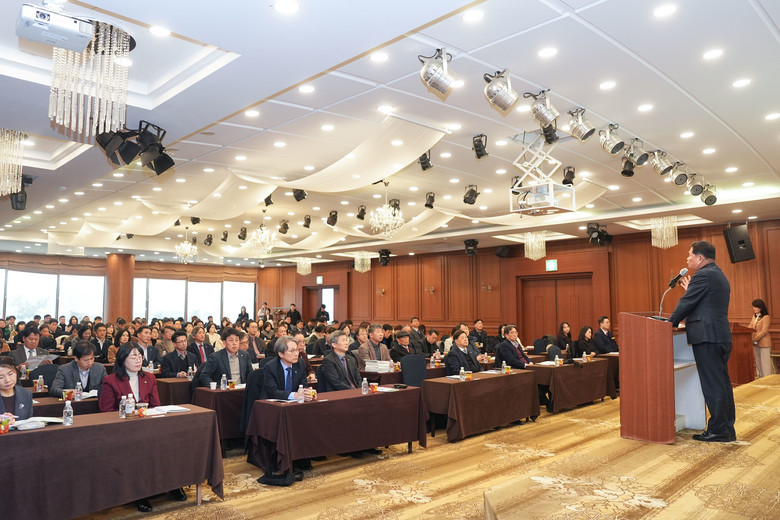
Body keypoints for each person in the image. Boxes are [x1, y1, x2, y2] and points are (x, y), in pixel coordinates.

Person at [669, 241, 736, 443]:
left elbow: (686, 303)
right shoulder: (717, 274)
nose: (687, 258)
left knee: (713, 385)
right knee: (721, 384)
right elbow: (702, 303)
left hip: (708, 337)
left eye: (690, 255)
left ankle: (719, 430)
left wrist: (668, 323)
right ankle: (725, 428)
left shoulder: (703, 275)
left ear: (700, 258)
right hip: (718, 335)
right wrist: (691, 290)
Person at [99, 343, 161, 412]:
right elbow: (107, 411)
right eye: (133, 358)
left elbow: (155, 406)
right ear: (122, 359)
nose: (138, 361)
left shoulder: (150, 378)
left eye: (140, 357)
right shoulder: (110, 381)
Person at [262, 335, 314, 400]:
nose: (296, 354)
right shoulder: (270, 367)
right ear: (281, 354)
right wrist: (294, 395)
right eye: (292, 351)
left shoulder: (300, 364)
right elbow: (273, 392)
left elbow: (303, 385)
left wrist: (307, 392)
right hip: (276, 402)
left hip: (295, 403)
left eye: (297, 350)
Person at [0, 357, 33, 422]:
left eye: (10, 374)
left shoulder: (26, 394)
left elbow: (28, 421)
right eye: (1, 377)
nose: (7, 380)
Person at [749, 299, 773, 378]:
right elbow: (750, 327)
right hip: (755, 343)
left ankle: (767, 379)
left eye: (756, 307)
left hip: (764, 343)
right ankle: (760, 378)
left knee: (765, 363)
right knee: (758, 362)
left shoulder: (766, 317)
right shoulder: (754, 316)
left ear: (761, 307)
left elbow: (764, 331)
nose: (754, 308)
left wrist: (754, 339)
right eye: (754, 307)